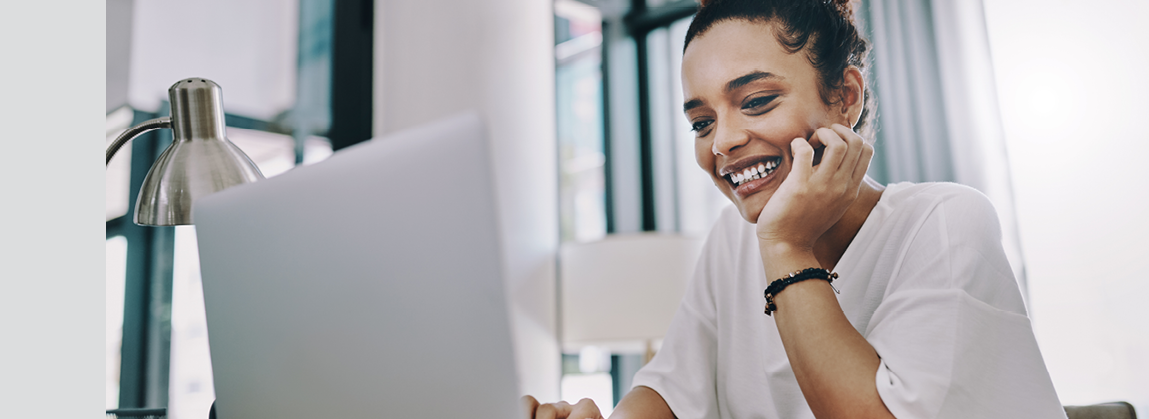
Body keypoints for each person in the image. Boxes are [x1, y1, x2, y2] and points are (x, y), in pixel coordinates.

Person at [525, 0, 1065, 417]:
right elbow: (669, 390)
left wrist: (786, 246)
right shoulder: (731, 242)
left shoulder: (945, 222)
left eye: (756, 101)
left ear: (846, 97)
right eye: (701, 121)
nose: (723, 142)